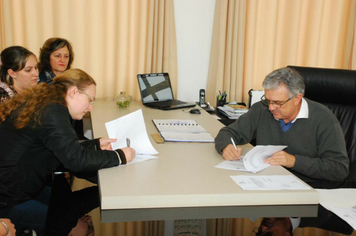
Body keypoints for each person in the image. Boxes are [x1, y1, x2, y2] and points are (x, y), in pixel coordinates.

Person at [215, 67, 352, 234]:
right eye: (268, 100)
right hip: (268, 189)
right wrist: (226, 146)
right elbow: (228, 133)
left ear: (297, 98)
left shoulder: (324, 119)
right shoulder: (262, 109)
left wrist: (294, 161)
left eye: (277, 103)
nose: (271, 107)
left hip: (310, 194)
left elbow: (339, 169)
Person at [0, 68, 135, 235]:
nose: (90, 107)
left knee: (70, 207)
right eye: (90, 100)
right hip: (8, 198)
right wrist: (120, 156)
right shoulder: (52, 111)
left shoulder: (50, 104)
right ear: (73, 92)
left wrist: (94, 144)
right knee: (69, 223)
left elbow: (63, 149)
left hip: (20, 186)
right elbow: (74, 160)